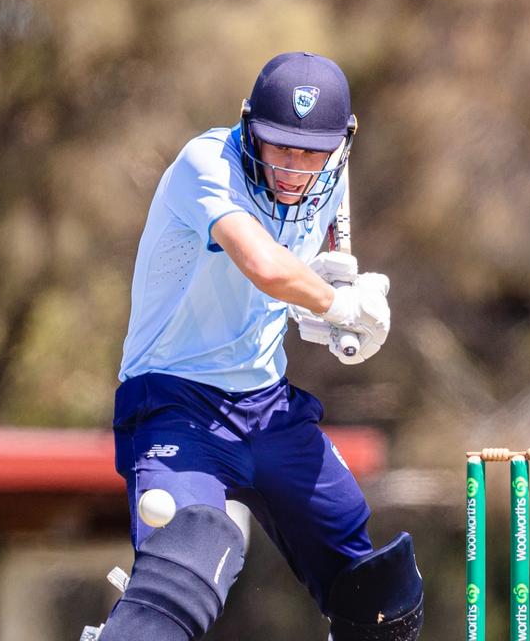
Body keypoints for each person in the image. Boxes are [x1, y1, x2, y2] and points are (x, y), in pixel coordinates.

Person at [90, 52, 423, 641]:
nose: (295, 169)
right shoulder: (206, 163)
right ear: (248, 128)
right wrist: (337, 305)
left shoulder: (330, 176)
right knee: (186, 565)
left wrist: (325, 301)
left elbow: (302, 267)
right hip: (175, 402)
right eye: (279, 148)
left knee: (378, 594)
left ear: (343, 143)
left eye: (312, 153)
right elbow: (264, 263)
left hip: (268, 409)